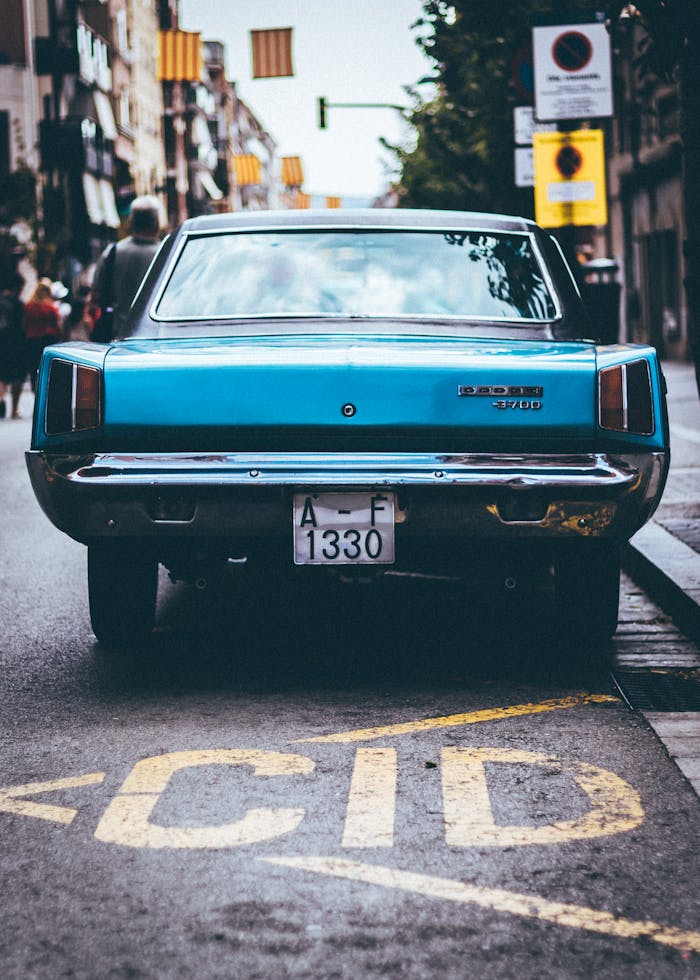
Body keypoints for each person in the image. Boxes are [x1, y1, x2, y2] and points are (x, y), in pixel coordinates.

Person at [90, 195, 162, 341]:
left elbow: (96, 296)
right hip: (157, 335)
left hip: (119, 335)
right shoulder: (166, 253)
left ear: (131, 222)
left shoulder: (112, 253)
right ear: (157, 223)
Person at [23, 277, 62, 392]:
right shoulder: (50, 308)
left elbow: (24, 324)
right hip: (47, 341)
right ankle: (44, 392)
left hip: (31, 341)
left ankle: (35, 391)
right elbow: (57, 326)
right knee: (46, 369)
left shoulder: (28, 306)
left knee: (33, 369)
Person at [0, 272, 26, 419]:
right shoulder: (19, 304)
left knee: (1, 375)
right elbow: (23, 324)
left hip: (1, 341)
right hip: (16, 342)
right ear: (17, 287)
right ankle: (14, 409)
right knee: (17, 376)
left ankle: (1, 399)